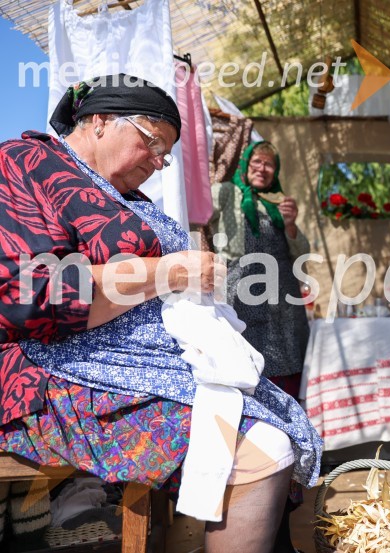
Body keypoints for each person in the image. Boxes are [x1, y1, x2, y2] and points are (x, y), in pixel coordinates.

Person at [0, 74, 322, 553]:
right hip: (60, 371)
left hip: (149, 363)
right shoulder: (25, 162)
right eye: (153, 143)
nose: (159, 162)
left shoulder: (125, 195)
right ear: (102, 121)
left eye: (166, 153)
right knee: (262, 449)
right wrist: (170, 271)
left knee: (279, 423)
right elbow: (27, 294)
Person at [209, 141, 310, 400]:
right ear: (245, 165)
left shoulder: (280, 203)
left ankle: (291, 421)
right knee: (249, 357)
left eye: (269, 164)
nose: (262, 168)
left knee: (289, 355)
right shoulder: (226, 193)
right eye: (257, 162)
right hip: (241, 291)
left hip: (283, 298)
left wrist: (290, 225)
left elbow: (302, 255)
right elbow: (197, 215)